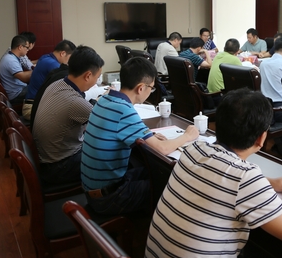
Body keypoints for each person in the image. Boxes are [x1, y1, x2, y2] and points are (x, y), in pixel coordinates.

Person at [144, 88, 282, 258]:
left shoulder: (194, 149)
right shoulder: (245, 177)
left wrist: (269, 183)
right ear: (262, 138)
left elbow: (222, 178)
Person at [81, 57, 198, 215]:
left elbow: (120, 129)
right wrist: (187, 136)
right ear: (141, 88)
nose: (151, 91)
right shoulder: (124, 110)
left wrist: (150, 135)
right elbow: (163, 149)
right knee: (174, 185)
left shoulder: (105, 99)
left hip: (94, 189)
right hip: (108, 198)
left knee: (154, 171)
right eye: (151, 88)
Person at [32, 46, 102, 186]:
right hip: (59, 167)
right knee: (112, 155)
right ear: (88, 75)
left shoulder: (58, 84)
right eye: (97, 77)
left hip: (45, 158)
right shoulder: (75, 102)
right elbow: (105, 123)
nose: (97, 81)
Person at [22, 39, 76, 119]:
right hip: (32, 109)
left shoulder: (45, 57)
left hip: (32, 105)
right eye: (70, 58)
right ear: (63, 53)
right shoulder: (53, 64)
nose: (69, 62)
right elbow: (68, 84)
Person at [0, 35, 32, 103]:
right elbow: (24, 78)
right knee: (41, 90)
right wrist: (38, 70)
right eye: (27, 47)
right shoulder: (11, 60)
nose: (28, 50)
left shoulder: (11, 57)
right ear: (20, 47)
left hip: (16, 89)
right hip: (16, 94)